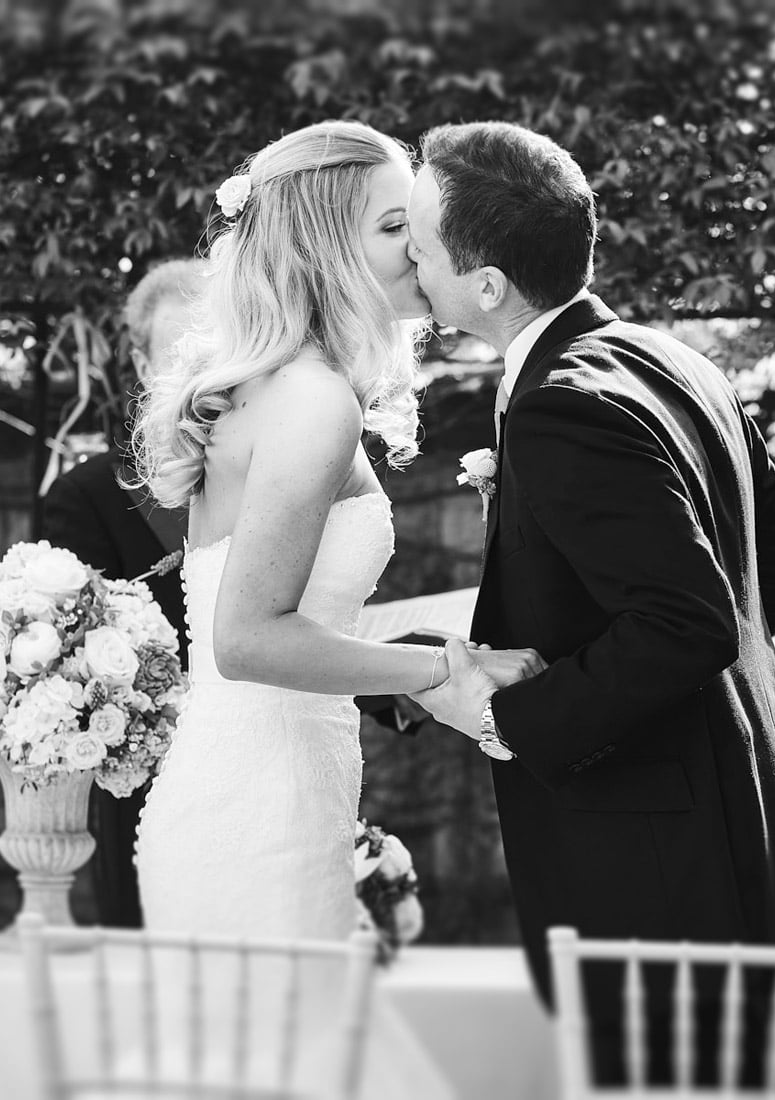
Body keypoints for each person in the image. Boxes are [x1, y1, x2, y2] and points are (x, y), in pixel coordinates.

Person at [406, 121, 775, 1086]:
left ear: (487, 284)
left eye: (423, 248)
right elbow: (773, 583)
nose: (411, 268)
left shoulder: (563, 403)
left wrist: (504, 716)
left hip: (663, 876)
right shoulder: (675, 362)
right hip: (754, 824)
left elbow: (687, 622)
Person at [127, 120, 543, 943]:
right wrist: (446, 668)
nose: (421, 246)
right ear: (325, 248)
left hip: (264, 787)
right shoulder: (312, 401)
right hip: (258, 814)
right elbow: (247, 640)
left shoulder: (278, 387)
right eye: (394, 227)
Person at [40, 257, 206, 927]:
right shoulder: (86, 499)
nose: (202, 374)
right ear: (142, 365)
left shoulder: (281, 475)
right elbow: (85, 675)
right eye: (181, 355)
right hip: (152, 798)